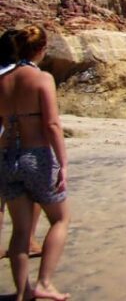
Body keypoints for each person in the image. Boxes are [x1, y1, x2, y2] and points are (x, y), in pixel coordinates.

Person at [0, 25, 70, 301]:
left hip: (6, 158)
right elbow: (52, 123)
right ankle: (44, 282)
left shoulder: (2, 81)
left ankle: (22, 292)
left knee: (20, 229)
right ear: (41, 49)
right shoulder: (42, 79)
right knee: (60, 219)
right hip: (36, 157)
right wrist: (62, 163)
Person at [0, 30, 44, 261]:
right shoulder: (31, 76)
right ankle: (30, 241)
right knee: (33, 196)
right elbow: (50, 120)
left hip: (5, 146)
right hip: (24, 147)